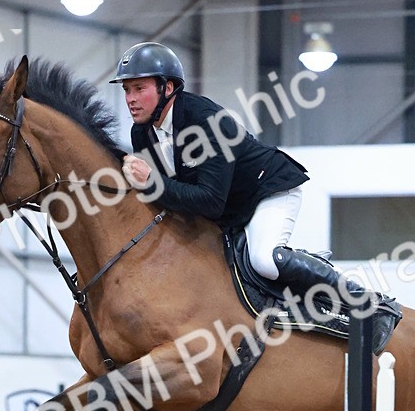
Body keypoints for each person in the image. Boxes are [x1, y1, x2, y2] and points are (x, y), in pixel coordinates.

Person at [111, 40, 309, 282]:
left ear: (168, 87)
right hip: (229, 210)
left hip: (268, 192)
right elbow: (162, 199)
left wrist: (151, 181)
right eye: (126, 90)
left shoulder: (206, 122)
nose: (130, 99)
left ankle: (349, 291)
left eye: (139, 88)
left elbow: (209, 200)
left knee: (264, 261)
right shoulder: (141, 133)